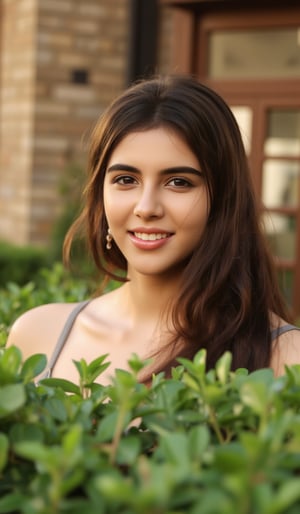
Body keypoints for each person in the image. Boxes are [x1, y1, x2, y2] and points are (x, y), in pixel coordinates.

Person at [7, 74, 300, 385]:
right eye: (126, 180)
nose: (146, 208)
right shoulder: (37, 335)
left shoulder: (286, 357)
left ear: (223, 199)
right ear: (99, 192)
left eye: (179, 182)